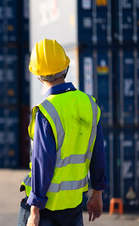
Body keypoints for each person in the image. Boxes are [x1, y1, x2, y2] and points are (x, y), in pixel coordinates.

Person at [17, 39, 108, 226]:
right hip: (74, 206)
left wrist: (34, 210)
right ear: (66, 68)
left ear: (38, 75)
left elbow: (43, 164)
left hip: (45, 209)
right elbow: (98, 153)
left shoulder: (46, 112)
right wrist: (97, 193)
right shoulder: (89, 104)